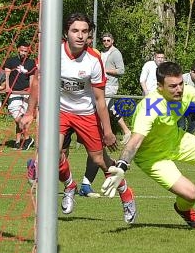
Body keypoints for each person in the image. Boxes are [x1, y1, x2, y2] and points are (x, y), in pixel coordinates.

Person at [101, 61, 195, 228]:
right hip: (152, 157)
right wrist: (122, 166)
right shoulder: (149, 107)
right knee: (191, 194)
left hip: (177, 140)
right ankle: (184, 210)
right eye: (172, 86)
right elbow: (135, 141)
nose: (179, 89)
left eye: (181, 84)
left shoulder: (186, 91)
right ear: (159, 86)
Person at [19, 12, 136, 224]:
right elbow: (37, 81)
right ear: (66, 33)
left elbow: (101, 100)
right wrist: (29, 112)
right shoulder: (52, 52)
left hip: (85, 113)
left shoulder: (93, 60)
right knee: (52, 154)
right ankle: (70, 185)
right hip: (59, 111)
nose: (80, 35)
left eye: (84, 31)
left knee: (100, 160)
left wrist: (108, 131)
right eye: (75, 31)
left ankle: (127, 195)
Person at [4, 40, 37, 150]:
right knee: (17, 118)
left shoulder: (31, 62)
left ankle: (18, 142)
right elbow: (7, 74)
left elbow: (32, 79)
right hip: (14, 93)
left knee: (24, 119)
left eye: (26, 51)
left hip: (26, 94)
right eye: (22, 50)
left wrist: (31, 91)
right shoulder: (11, 61)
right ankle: (27, 138)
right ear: (18, 49)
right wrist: (8, 87)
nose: (24, 53)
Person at [100, 32, 131, 144]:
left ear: (112, 41)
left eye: (108, 40)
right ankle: (127, 131)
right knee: (111, 109)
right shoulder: (102, 52)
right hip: (102, 84)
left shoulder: (116, 53)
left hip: (111, 85)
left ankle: (103, 136)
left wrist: (105, 71)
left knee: (101, 109)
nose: (106, 42)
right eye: (104, 40)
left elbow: (121, 71)